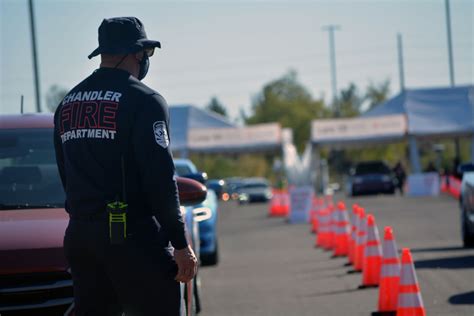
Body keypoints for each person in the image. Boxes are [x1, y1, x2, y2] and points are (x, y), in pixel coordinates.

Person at [53, 17, 197, 315]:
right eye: (148, 53)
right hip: (132, 238)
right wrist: (180, 244)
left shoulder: (67, 104)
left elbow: (66, 175)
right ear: (137, 53)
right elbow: (159, 179)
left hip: (80, 238)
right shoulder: (145, 101)